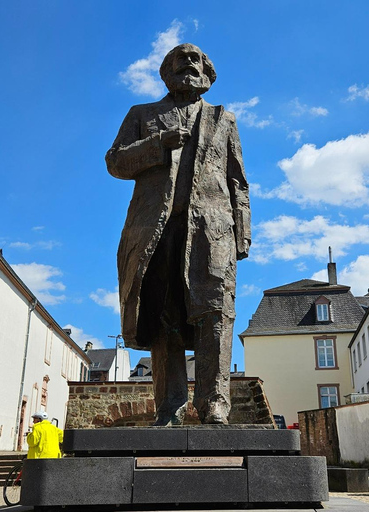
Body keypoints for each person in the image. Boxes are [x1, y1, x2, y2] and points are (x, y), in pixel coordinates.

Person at [106, 43, 251, 425]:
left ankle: (214, 402)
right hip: (156, 228)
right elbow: (116, 161)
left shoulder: (224, 119)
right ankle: (169, 405)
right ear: (166, 71)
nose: (188, 64)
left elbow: (238, 181)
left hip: (212, 230)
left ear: (207, 71)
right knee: (164, 314)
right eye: (179, 59)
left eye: (196, 59)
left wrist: (243, 235)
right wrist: (157, 145)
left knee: (216, 312)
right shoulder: (143, 114)